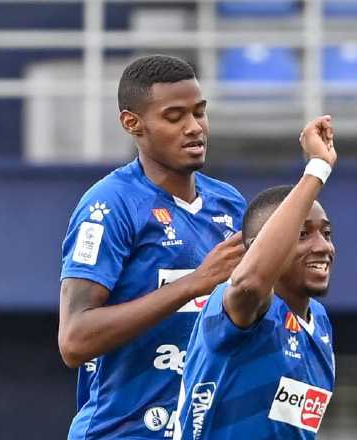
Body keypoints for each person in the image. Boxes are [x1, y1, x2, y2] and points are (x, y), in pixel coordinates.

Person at [58, 54, 246, 439]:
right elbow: (74, 340)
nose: (194, 128)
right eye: (175, 117)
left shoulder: (230, 206)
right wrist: (196, 282)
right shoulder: (110, 205)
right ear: (132, 123)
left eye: (199, 113)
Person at [174, 115, 338, 439]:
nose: (323, 247)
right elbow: (251, 282)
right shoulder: (234, 309)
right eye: (303, 234)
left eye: (327, 233)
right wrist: (318, 168)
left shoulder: (319, 323)